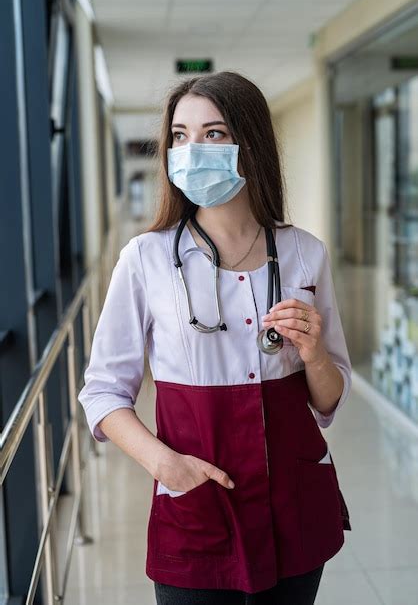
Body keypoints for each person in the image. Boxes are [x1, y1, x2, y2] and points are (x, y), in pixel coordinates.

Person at [77, 71, 352, 605]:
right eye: (180, 136)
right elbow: (102, 392)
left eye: (213, 134)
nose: (192, 149)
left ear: (249, 144)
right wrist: (166, 466)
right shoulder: (147, 259)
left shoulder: (304, 253)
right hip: (199, 506)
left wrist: (314, 355)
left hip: (293, 503)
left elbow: (329, 397)